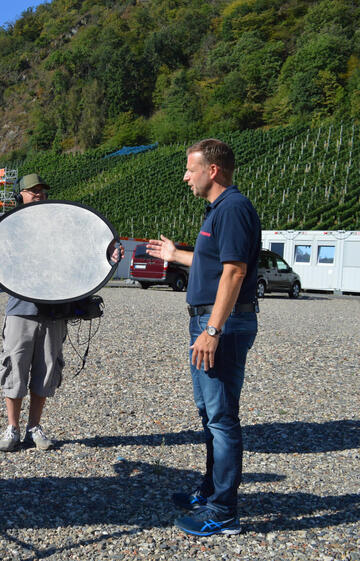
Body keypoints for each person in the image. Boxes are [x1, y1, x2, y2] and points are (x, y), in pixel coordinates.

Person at [146, 138, 260, 536]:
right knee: (209, 413)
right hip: (209, 323)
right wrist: (175, 256)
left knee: (222, 418)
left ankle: (224, 512)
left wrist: (213, 329)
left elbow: (235, 271)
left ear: (212, 170)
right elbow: (214, 263)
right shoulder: (219, 210)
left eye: (190, 169)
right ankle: (211, 492)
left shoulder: (233, 208)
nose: (185, 177)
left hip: (220, 325)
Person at [0, 173, 121, 452]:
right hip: (21, 311)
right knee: (14, 368)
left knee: (46, 371)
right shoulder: (10, 229)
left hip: (55, 311)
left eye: (42, 191)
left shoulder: (61, 225)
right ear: (19, 196)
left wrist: (109, 255)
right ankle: (12, 428)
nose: (39, 194)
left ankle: (34, 427)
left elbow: (85, 251)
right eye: (32, 190)